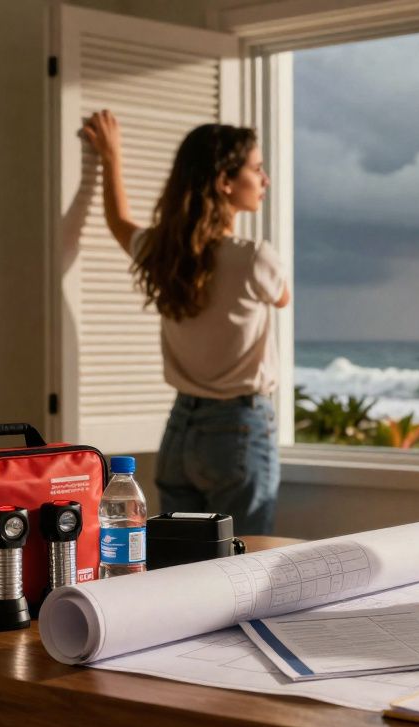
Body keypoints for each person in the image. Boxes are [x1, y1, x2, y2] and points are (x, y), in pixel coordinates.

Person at [82, 110, 290, 535]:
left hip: (180, 430)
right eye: (256, 168)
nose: (265, 179)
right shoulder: (254, 257)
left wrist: (111, 156)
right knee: (243, 564)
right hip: (238, 430)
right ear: (225, 182)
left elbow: (120, 223)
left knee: (181, 563)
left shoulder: (164, 253)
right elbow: (284, 297)